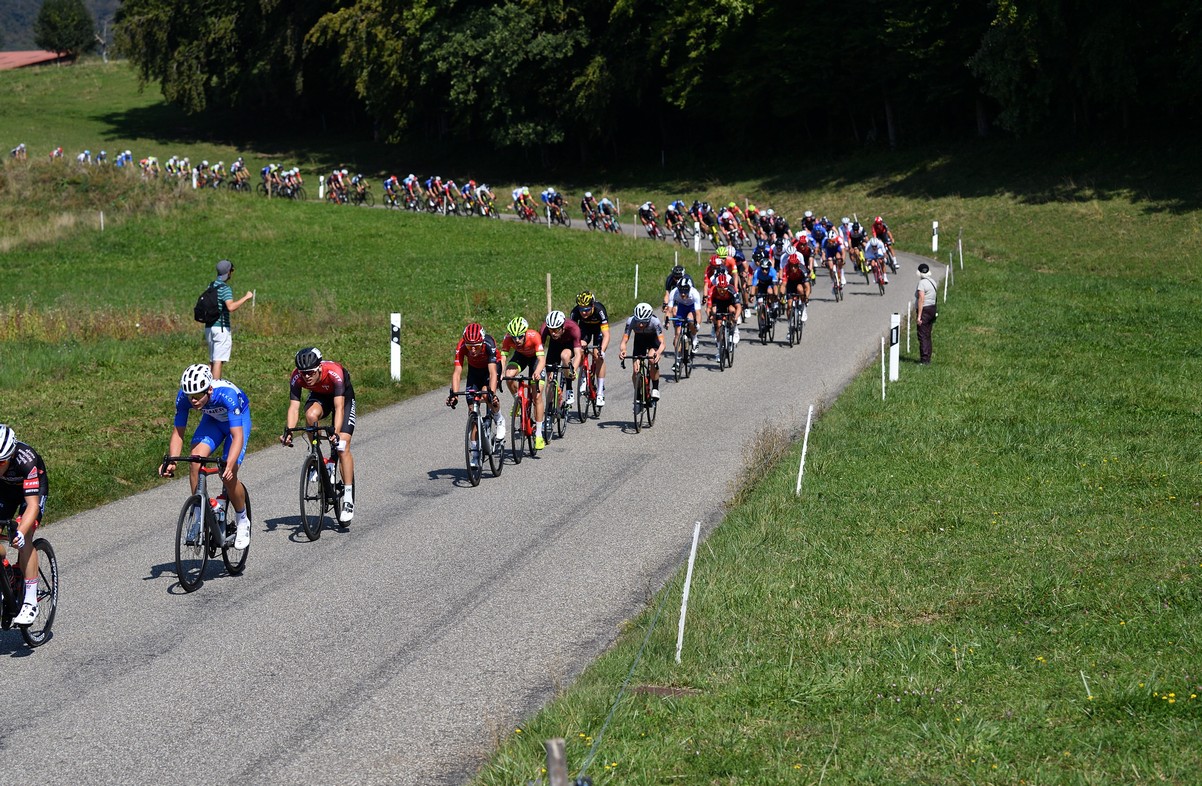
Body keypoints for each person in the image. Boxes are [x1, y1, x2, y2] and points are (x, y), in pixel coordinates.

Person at [160, 364, 253, 549]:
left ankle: (242, 519)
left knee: (228, 474)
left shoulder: (227, 395)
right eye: (190, 396)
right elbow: (178, 432)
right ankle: (199, 511)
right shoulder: (184, 397)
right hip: (213, 421)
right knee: (195, 459)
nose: (193, 400)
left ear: (209, 389)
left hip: (237, 423)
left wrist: (229, 464)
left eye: (197, 395)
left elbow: (237, 436)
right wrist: (172, 460)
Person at [282, 348, 358, 522]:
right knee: (310, 416)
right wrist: (289, 432)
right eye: (303, 373)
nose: (306, 377)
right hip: (320, 396)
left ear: (319, 368)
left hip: (343, 398)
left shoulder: (334, 372)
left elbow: (339, 407)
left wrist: (336, 433)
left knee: (342, 446)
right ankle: (318, 457)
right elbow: (294, 407)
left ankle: (347, 498)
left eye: (310, 372)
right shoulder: (296, 376)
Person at [0, 425, 47, 626]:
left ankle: (30, 601)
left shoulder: (27, 459)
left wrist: (19, 531)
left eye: (0, 462)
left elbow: (33, 506)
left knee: (24, 536)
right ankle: (7, 572)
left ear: (10, 456)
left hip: (31, 494)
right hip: (3, 492)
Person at [446, 323, 505, 467]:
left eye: (476, 346)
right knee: (472, 411)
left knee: (486, 395)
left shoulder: (489, 343)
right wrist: (454, 395)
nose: (472, 350)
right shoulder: (461, 346)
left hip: (490, 368)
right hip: (474, 371)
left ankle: (499, 419)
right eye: (469, 346)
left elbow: (493, 373)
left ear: (482, 343)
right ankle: (475, 454)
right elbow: (457, 373)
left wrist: (491, 393)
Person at [501, 317, 548, 450]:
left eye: (520, 337)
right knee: (509, 376)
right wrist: (501, 372)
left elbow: (541, 360)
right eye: (514, 337)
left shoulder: (534, 336)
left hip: (535, 360)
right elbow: (503, 357)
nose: (517, 340)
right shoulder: (508, 338)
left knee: (537, 396)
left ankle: (538, 434)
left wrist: (537, 372)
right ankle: (518, 400)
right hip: (520, 357)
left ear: (525, 333)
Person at [206, 259, 254, 380]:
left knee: (212, 360)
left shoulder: (210, 286)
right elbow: (231, 307)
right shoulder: (225, 288)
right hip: (221, 328)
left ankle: (205, 385)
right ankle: (215, 388)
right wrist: (246, 297)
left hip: (209, 327)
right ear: (228, 272)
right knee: (218, 361)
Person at [618, 303, 665, 402]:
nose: (640, 324)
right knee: (636, 371)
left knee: (652, 359)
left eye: (643, 322)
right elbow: (624, 340)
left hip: (653, 340)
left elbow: (662, 343)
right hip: (640, 340)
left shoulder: (655, 321)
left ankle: (655, 388)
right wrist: (623, 350)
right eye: (638, 321)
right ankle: (638, 393)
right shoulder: (631, 321)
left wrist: (658, 353)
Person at [570, 291, 610, 407]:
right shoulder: (575, 312)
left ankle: (600, 392)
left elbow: (606, 335)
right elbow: (572, 332)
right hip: (584, 329)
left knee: (598, 356)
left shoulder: (599, 310)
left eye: (587, 309)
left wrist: (602, 351)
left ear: (592, 306)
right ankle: (583, 375)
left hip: (599, 330)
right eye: (581, 309)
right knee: (580, 349)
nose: (583, 312)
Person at [668, 275, 703, 357]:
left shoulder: (695, 293)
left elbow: (698, 313)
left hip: (691, 307)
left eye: (685, 291)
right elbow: (669, 310)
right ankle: (678, 357)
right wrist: (666, 321)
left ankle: (694, 339)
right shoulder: (674, 292)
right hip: (681, 307)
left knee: (690, 319)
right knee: (677, 333)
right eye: (681, 291)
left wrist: (697, 324)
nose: (683, 294)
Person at [915, 263, 939, 364]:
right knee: (928, 334)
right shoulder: (932, 281)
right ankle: (928, 357)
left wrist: (919, 316)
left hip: (925, 310)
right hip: (932, 309)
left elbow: (921, 299)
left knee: (922, 335)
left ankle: (924, 360)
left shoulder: (922, 283)